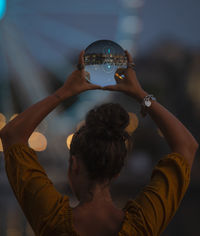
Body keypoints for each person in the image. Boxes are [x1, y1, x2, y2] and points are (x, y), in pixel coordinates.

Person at [0, 50, 198, 236]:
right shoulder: (142, 224)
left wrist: (65, 91)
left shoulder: (52, 219)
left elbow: (12, 134)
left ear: (75, 165)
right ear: (117, 171)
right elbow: (186, 145)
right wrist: (140, 95)